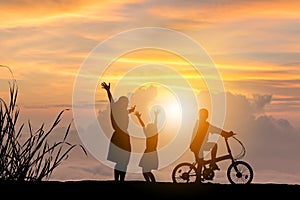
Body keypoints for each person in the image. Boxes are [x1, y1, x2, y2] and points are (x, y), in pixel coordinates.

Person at [101, 82, 136, 182]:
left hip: (124, 136)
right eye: (125, 103)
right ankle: (117, 180)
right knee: (121, 160)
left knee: (124, 161)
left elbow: (125, 112)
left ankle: (121, 180)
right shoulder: (116, 109)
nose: (126, 105)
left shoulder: (123, 111)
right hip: (119, 137)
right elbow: (111, 101)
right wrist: (108, 91)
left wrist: (131, 111)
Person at [190, 108, 234, 182]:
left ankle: (199, 179)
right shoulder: (204, 125)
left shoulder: (201, 124)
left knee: (201, 162)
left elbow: (216, 130)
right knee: (213, 146)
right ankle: (212, 163)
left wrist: (225, 133)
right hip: (197, 146)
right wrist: (226, 134)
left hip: (198, 146)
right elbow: (216, 130)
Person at [134, 109, 159, 182]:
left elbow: (143, 125)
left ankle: (150, 182)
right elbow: (150, 125)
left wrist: (139, 117)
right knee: (147, 169)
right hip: (152, 152)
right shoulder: (154, 135)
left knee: (145, 170)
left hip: (149, 152)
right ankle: (151, 182)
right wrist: (156, 116)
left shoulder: (149, 135)